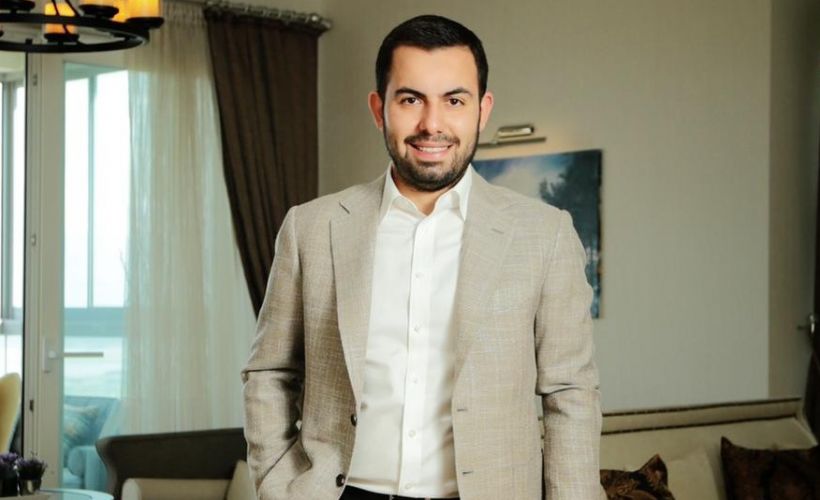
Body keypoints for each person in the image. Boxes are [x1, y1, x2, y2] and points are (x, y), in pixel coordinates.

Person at [242, 14, 602, 500]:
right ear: (379, 109)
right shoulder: (311, 228)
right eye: (411, 99)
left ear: (482, 110)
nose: (432, 124)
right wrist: (278, 483)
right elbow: (269, 372)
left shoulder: (544, 235)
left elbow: (570, 393)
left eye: (454, 100)